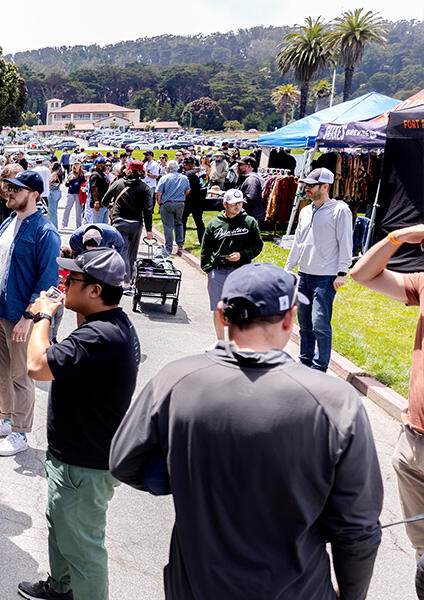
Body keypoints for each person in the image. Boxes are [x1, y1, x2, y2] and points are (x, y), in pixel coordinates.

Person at [110, 262, 383, 600]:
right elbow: (358, 528)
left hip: (193, 585)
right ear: (289, 318)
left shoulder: (175, 380)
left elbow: (124, 460)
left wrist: (185, 477)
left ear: (223, 315)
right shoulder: (335, 402)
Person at [17, 247, 139, 600]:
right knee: (61, 528)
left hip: (84, 465)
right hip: (76, 456)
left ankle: (77, 590)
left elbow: (37, 365)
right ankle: (60, 587)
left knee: (84, 549)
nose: (64, 283)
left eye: (74, 279)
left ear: (96, 291)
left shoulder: (99, 337)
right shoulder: (106, 326)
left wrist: (41, 316)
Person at [349, 223, 424, 560]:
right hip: (414, 443)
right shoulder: (422, 283)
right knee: (423, 553)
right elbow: (362, 274)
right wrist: (397, 237)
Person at [0, 170, 60, 456]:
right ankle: (5, 419)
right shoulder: (7, 222)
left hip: (21, 315)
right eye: (10, 188)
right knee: (0, 372)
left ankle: (21, 432)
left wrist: (28, 318)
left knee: (20, 376)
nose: (10, 192)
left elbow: (48, 282)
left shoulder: (44, 231)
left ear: (34, 195)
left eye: (17, 189)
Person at [284, 167, 353, 371]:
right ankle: (305, 361)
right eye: (306, 184)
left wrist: (342, 272)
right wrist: (289, 268)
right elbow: (298, 242)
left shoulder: (340, 210)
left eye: (312, 185)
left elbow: (346, 243)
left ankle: (320, 366)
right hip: (304, 274)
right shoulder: (306, 211)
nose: (307, 188)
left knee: (320, 323)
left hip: (326, 276)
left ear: (325, 186)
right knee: (304, 323)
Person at [200, 189, 263, 340]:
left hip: (242, 271)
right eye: (234, 204)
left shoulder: (249, 222)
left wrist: (242, 255)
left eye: (240, 203)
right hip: (219, 271)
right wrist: (208, 269)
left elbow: (257, 245)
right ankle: (221, 342)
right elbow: (206, 248)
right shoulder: (214, 224)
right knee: (218, 308)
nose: (238, 206)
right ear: (225, 204)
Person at [103, 160, 153, 285]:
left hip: (119, 221)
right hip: (136, 223)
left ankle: (124, 279)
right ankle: (129, 279)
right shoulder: (145, 188)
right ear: (142, 172)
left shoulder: (118, 183)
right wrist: (149, 230)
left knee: (122, 251)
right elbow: (148, 210)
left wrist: (112, 207)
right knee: (132, 253)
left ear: (128, 170)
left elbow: (104, 200)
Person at [154, 162, 190, 255]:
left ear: (168, 169)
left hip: (167, 203)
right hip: (180, 203)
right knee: (179, 223)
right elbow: (188, 190)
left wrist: (159, 203)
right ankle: (180, 244)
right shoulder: (184, 178)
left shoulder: (164, 178)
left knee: (168, 226)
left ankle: (169, 248)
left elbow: (158, 192)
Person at [178, 157, 208, 246]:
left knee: (183, 220)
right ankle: (202, 240)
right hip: (201, 199)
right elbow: (205, 185)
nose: (183, 166)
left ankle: (181, 241)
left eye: (185, 164)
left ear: (190, 164)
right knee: (199, 221)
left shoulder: (189, 174)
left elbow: (187, 189)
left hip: (190, 200)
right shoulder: (203, 172)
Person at [235, 155, 265, 229]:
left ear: (249, 166)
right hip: (247, 215)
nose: (237, 166)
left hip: (249, 216)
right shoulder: (247, 178)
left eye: (240, 165)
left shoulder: (252, 180)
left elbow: (250, 198)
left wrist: (234, 205)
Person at [63, 162, 87, 229]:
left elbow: (86, 181)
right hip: (71, 192)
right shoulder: (71, 173)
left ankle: (78, 225)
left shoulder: (83, 173)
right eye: (75, 164)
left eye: (77, 164)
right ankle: (64, 224)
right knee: (67, 207)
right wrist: (68, 180)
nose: (76, 165)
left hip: (79, 193)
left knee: (78, 210)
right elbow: (66, 185)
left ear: (80, 165)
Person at [47, 161, 65, 231]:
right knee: (53, 211)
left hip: (52, 192)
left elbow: (48, 182)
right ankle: (53, 227)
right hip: (58, 192)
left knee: (52, 212)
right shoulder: (60, 173)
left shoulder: (54, 174)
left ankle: (54, 228)